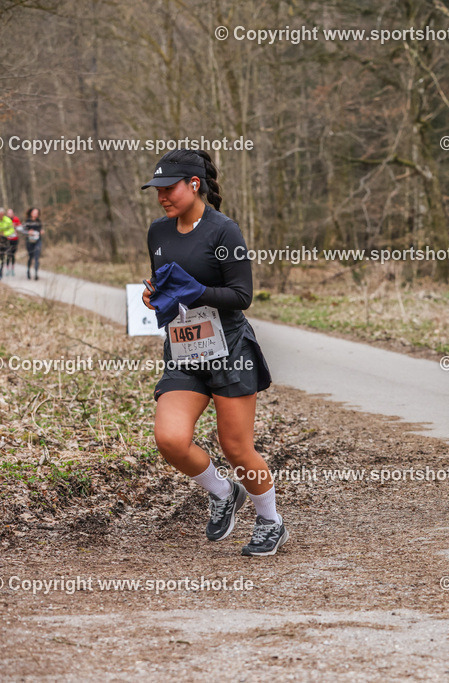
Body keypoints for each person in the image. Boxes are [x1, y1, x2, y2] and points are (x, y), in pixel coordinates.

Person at [140, 148, 286, 557]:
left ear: (194, 184)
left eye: (168, 189)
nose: (161, 197)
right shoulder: (158, 232)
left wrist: (198, 291)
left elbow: (242, 296)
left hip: (230, 350)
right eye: (157, 190)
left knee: (236, 447)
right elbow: (163, 283)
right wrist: (154, 295)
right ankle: (223, 493)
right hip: (184, 349)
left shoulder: (224, 231)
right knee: (170, 439)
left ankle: (271, 521)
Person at [24, 207, 43, 280]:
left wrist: (41, 231)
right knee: (30, 257)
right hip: (30, 241)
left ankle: (36, 273)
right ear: (31, 213)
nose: (35, 214)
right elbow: (24, 230)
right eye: (34, 212)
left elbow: (40, 229)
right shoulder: (27, 221)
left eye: (37, 213)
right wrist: (28, 232)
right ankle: (28, 271)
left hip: (38, 240)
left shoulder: (39, 221)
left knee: (37, 257)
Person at [4, 208, 20, 276]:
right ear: (7, 214)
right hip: (8, 239)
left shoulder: (16, 219)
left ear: (13, 213)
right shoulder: (5, 220)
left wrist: (15, 226)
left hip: (15, 239)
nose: (10, 214)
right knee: (8, 254)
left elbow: (20, 227)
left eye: (11, 213)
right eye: (8, 213)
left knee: (13, 255)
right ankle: (7, 269)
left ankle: (12, 269)